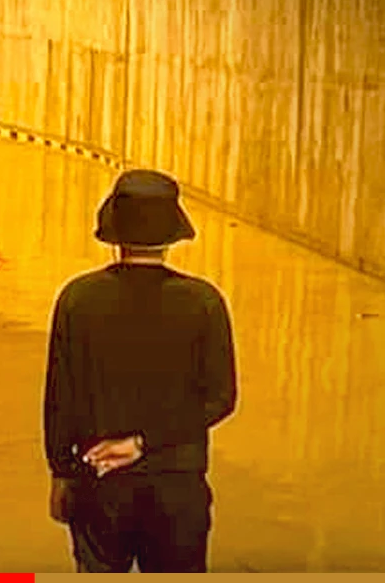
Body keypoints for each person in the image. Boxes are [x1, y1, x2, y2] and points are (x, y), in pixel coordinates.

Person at [43, 168, 238, 573]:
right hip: (177, 488)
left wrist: (61, 473)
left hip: (100, 482)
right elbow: (221, 399)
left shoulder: (78, 299)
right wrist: (143, 442)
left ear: (113, 233)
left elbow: (60, 399)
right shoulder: (205, 303)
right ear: (172, 236)